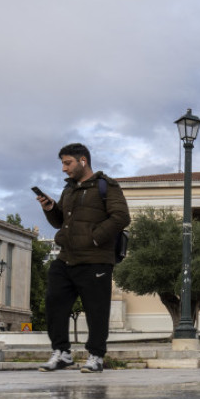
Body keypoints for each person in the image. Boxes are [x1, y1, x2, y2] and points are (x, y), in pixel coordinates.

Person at [37, 143, 130, 372]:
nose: (63, 168)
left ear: (83, 161)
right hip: (66, 257)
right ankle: (62, 353)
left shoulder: (106, 185)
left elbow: (121, 217)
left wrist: (95, 238)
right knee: (54, 303)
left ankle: (96, 356)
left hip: (95, 259)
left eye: (67, 163)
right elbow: (60, 222)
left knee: (96, 310)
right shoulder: (68, 190)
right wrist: (50, 209)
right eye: (62, 163)